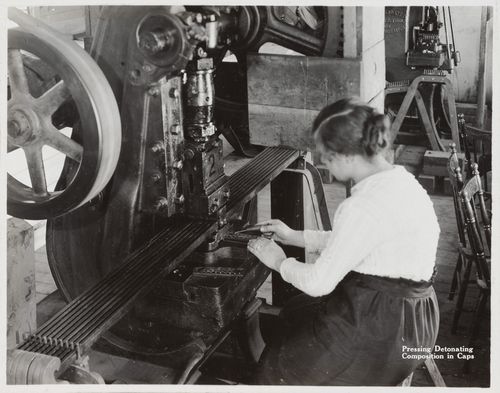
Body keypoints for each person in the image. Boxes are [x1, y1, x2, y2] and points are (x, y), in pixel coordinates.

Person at [247, 97, 441, 386]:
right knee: (296, 311)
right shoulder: (400, 181)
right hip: (417, 318)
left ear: (348, 157)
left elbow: (318, 283)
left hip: (383, 327)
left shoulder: (361, 205)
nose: (323, 162)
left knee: (279, 370)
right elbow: (359, 240)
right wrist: (294, 236)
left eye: (327, 156)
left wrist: (278, 260)